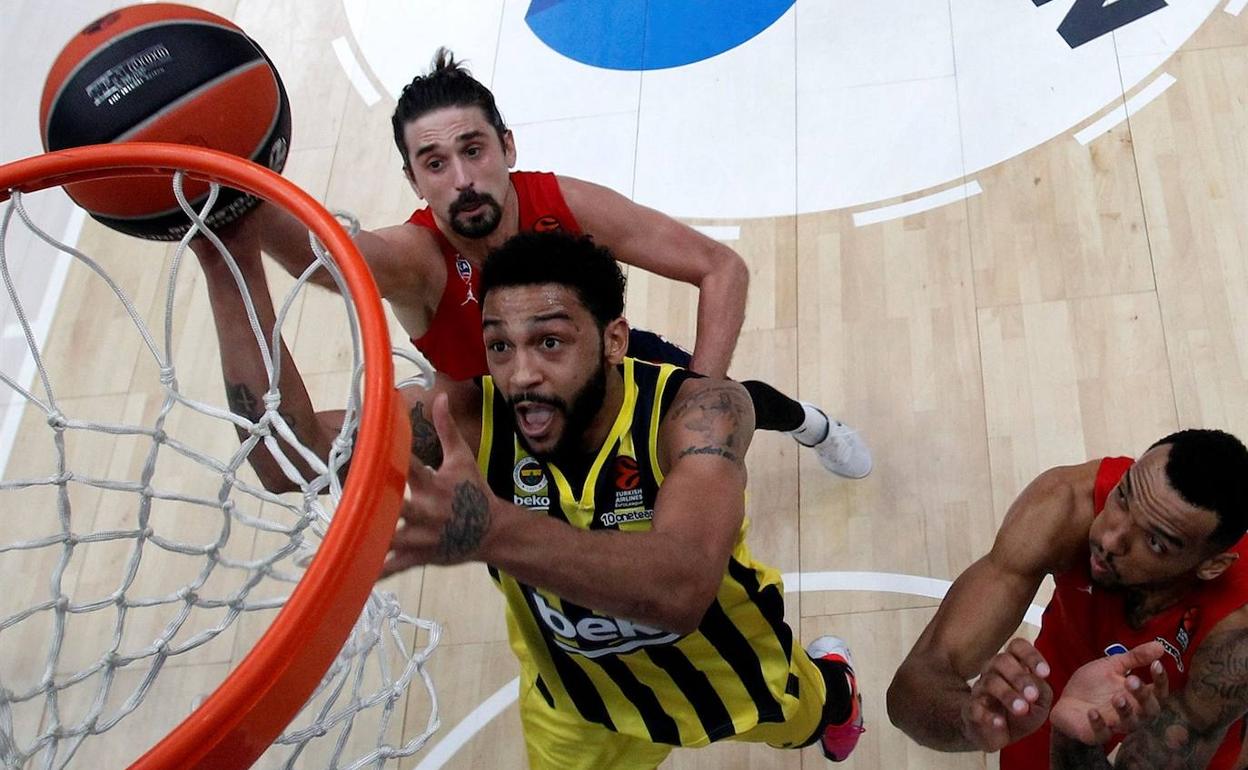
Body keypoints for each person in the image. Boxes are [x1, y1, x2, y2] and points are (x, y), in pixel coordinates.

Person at [194, 228, 866, 766]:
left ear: (614, 340)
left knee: (813, 718)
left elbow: (683, 587)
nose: (521, 374)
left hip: (724, 665)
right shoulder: (467, 419)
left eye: (549, 342)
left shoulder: (698, 411)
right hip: (575, 698)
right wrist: (226, 255)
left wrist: (491, 531)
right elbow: (287, 458)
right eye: (499, 346)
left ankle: (836, 688)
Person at [236, 47, 871, 479]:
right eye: (435, 163)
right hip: (497, 414)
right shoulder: (419, 258)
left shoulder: (564, 204)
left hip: (606, 370)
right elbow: (325, 258)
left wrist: (700, 397)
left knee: (737, 403)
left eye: (474, 150)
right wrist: (241, 200)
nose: (463, 179)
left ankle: (812, 425)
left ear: (507, 147)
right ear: (414, 180)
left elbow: (721, 267)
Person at [886, 430, 1248, 768]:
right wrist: (970, 721)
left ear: (1212, 566)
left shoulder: (1237, 640)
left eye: (1155, 542)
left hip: (1195, 713)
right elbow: (911, 690)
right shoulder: (1066, 505)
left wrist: (1075, 741)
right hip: (1058, 682)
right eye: (1123, 497)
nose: (1109, 539)